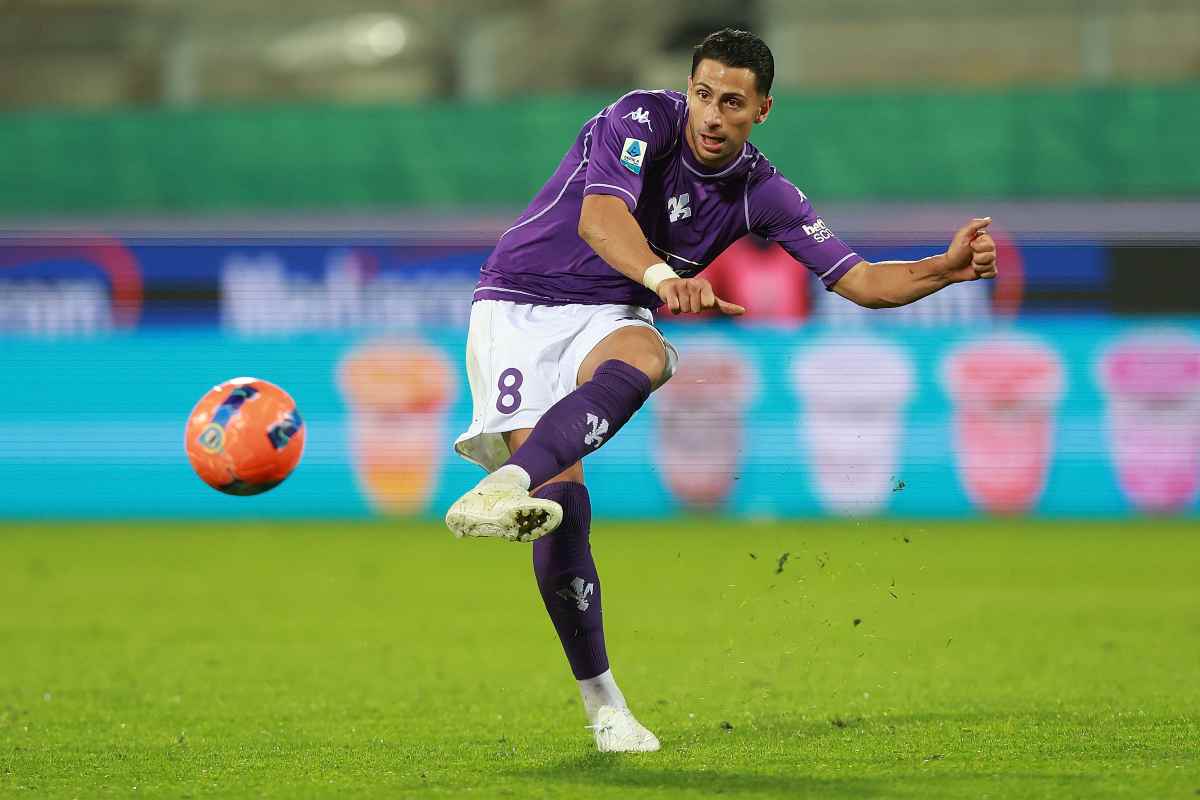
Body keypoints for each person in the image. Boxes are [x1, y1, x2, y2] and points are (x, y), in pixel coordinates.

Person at [445, 28, 997, 753]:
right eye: (703, 93)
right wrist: (665, 279)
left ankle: (508, 491)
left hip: (613, 313)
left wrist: (944, 268)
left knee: (647, 357)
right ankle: (602, 701)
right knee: (563, 513)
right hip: (521, 300)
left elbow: (860, 281)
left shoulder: (761, 192)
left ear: (762, 110)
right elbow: (599, 218)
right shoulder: (640, 119)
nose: (711, 114)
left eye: (731, 102)